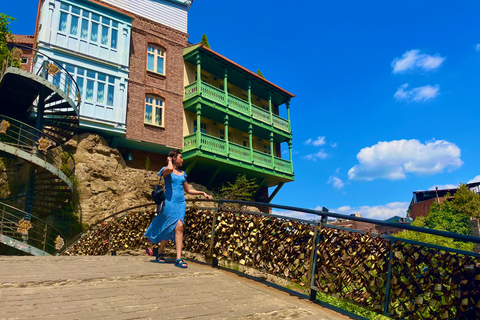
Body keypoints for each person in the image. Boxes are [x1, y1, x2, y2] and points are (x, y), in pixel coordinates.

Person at [144, 150, 211, 268]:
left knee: (179, 227)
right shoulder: (166, 170)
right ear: (174, 158)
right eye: (180, 157)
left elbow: (188, 190)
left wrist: (202, 192)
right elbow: (169, 170)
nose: (182, 160)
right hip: (169, 203)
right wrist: (169, 161)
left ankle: (178, 258)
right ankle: (160, 252)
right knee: (168, 227)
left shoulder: (183, 173)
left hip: (181, 203)